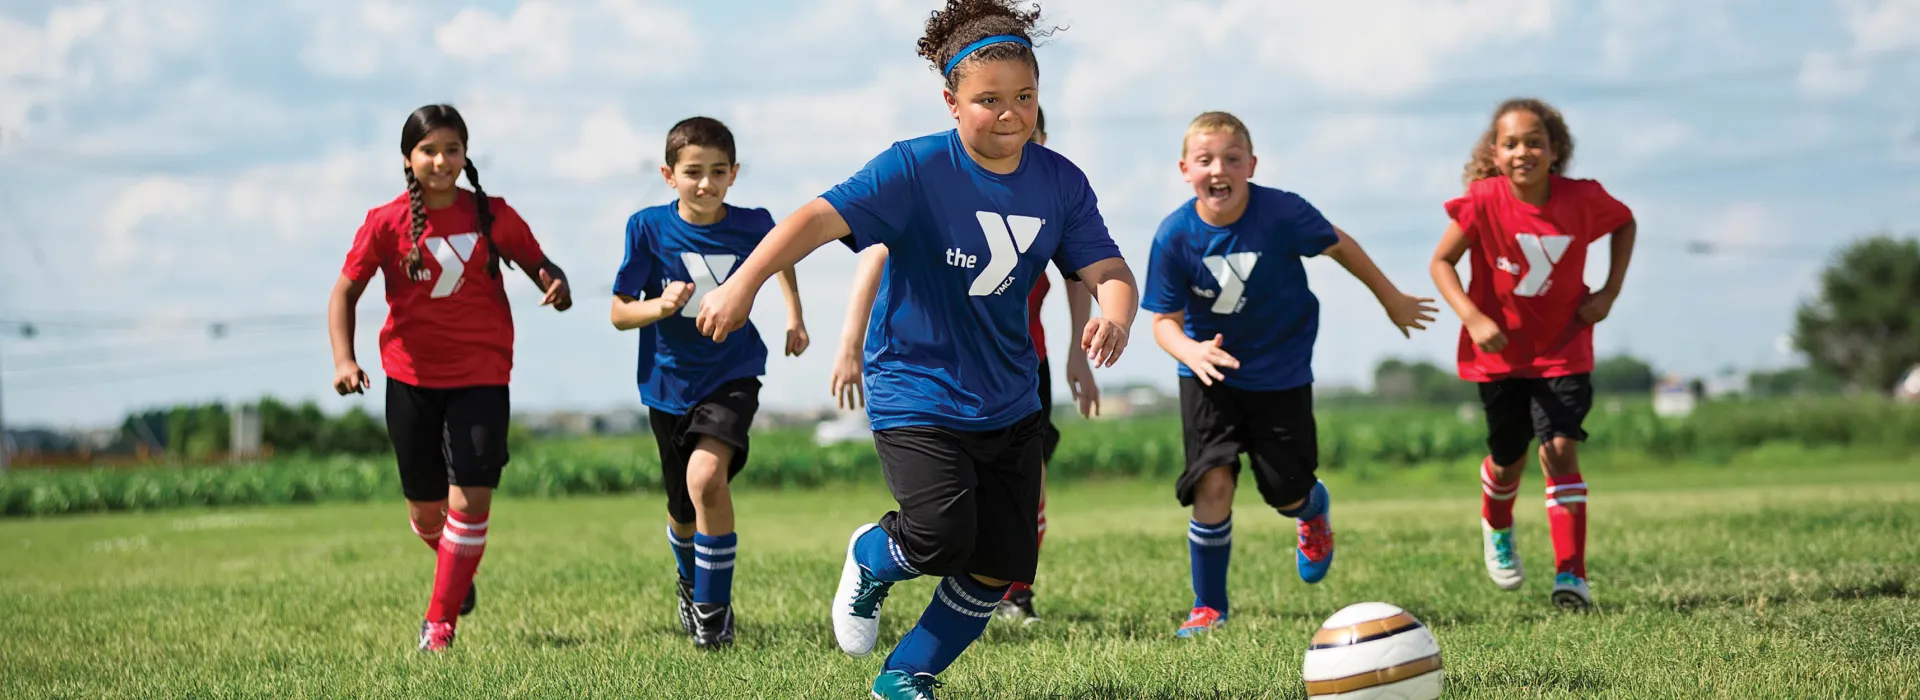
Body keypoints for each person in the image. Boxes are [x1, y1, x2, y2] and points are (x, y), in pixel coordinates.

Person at [692, 1, 1137, 695]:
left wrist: (1116, 314)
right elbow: (814, 219)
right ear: (951, 103)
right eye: (989, 100)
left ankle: (905, 676)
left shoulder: (1061, 182)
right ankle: (874, 556)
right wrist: (743, 284)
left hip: (1010, 397)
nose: (1011, 114)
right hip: (916, 386)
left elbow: (1109, 268)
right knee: (938, 535)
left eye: (1024, 97)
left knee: (999, 563)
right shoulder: (913, 168)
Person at [1140, 111, 1435, 638]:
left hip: (1281, 371)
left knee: (1284, 491)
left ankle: (1312, 509)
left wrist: (1390, 297)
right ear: (1185, 170)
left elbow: (1338, 243)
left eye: (1232, 158)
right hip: (1208, 373)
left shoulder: (1282, 213)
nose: (1219, 169)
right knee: (1212, 480)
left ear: (1252, 165)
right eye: (1205, 160)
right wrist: (1190, 351)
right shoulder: (1173, 236)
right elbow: (1163, 322)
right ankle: (1208, 607)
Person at [827, 106, 1098, 627]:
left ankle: (1014, 593)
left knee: (1030, 487)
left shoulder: (1052, 197)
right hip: (938, 374)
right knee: (947, 523)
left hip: (1023, 369)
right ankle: (896, 561)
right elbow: (876, 256)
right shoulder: (945, 189)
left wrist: (1077, 354)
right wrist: (848, 345)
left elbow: (1082, 273)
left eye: (1030, 132)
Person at [327, 104, 573, 652]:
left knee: (471, 501)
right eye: (429, 151)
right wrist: (345, 360)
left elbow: (543, 266)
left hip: (482, 375)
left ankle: (439, 623)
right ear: (407, 158)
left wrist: (555, 285)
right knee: (425, 512)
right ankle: (454, 571)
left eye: (452, 150)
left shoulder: (494, 216)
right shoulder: (384, 222)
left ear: (465, 155)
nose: (441, 161)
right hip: (410, 379)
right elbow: (344, 292)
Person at [1428, 97, 1637, 611]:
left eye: (1535, 142)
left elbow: (1625, 222)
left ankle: (1572, 575)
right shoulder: (1483, 201)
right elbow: (1441, 263)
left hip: (1565, 348)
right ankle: (1498, 526)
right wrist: (1473, 318)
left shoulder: (1583, 199)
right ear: (1495, 154)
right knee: (1508, 461)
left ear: (1555, 150)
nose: (1524, 151)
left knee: (1559, 449)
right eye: (1511, 143)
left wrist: (1609, 292)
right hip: (1499, 357)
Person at [610, 116, 810, 648]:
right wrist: (659, 306)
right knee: (682, 513)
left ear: (734, 173)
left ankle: (713, 613)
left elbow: (782, 256)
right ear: (668, 175)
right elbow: (619, 312)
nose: (706, 183)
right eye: (693, 172)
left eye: (718, 171)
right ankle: (690, 580)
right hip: (667, 384)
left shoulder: (753, 223)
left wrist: (794, 315)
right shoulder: (646, 227)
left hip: (732, 372)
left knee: (706, 479)